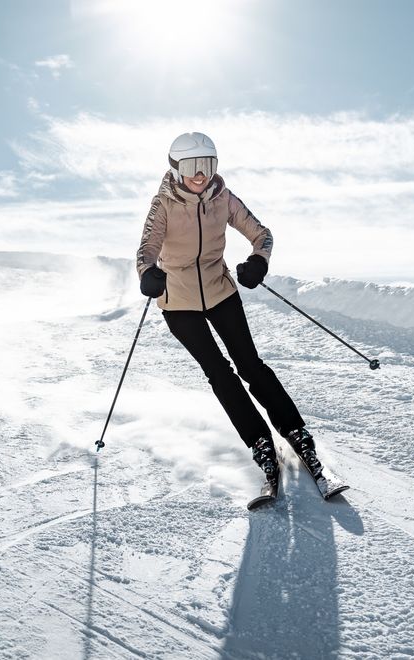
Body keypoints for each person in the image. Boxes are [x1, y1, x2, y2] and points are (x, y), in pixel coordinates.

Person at [135, 132, 325, 502]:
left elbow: (262, 234)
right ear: (176, 169)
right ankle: (259, 442)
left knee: (250, 365)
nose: (201, 175)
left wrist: (258, 260)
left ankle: (295, 431)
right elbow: (147, 247)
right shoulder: (163, 204)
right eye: (192, 167)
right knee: (219, 373)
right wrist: (147, 273)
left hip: (221, 292)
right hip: (179, 304)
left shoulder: (224, 198)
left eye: (208, 165)